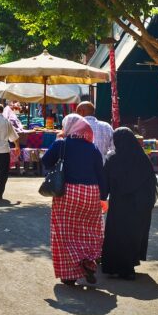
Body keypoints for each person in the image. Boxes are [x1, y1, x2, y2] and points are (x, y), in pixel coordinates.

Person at [41, 115, 107, 286]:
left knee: (64, 233)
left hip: (67, 194)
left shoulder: (61, 144)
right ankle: (89, 261)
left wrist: (57, 141)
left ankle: (69, 275)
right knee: (90, 230)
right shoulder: (92, 148)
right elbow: (101, 175)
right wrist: (103, 197)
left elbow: (46, 161)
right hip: (91, 194)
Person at [101, 127, 158, 280]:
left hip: (119, 204)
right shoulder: (143, 159)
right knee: (132, 234)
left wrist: (102, 197)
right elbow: (151, 184)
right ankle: (128, 268)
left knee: (116, 234)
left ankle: (113, 267)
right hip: (138, 206)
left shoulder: (112, 159)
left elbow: (105, 184)